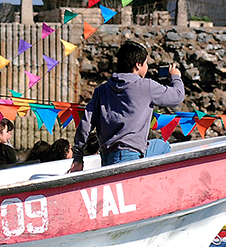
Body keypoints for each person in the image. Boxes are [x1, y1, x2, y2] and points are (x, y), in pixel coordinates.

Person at [69, 41, 184, 171]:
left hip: (107, 157)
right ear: (138, 65)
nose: (147, 67)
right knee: (164, 146)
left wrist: (78, 157)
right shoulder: (146, 86)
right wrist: (176, 76)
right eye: (146, 63)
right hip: (130, 156)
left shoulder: (101, 91)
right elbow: (178, 96)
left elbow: (85, 124)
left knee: (161, 145)